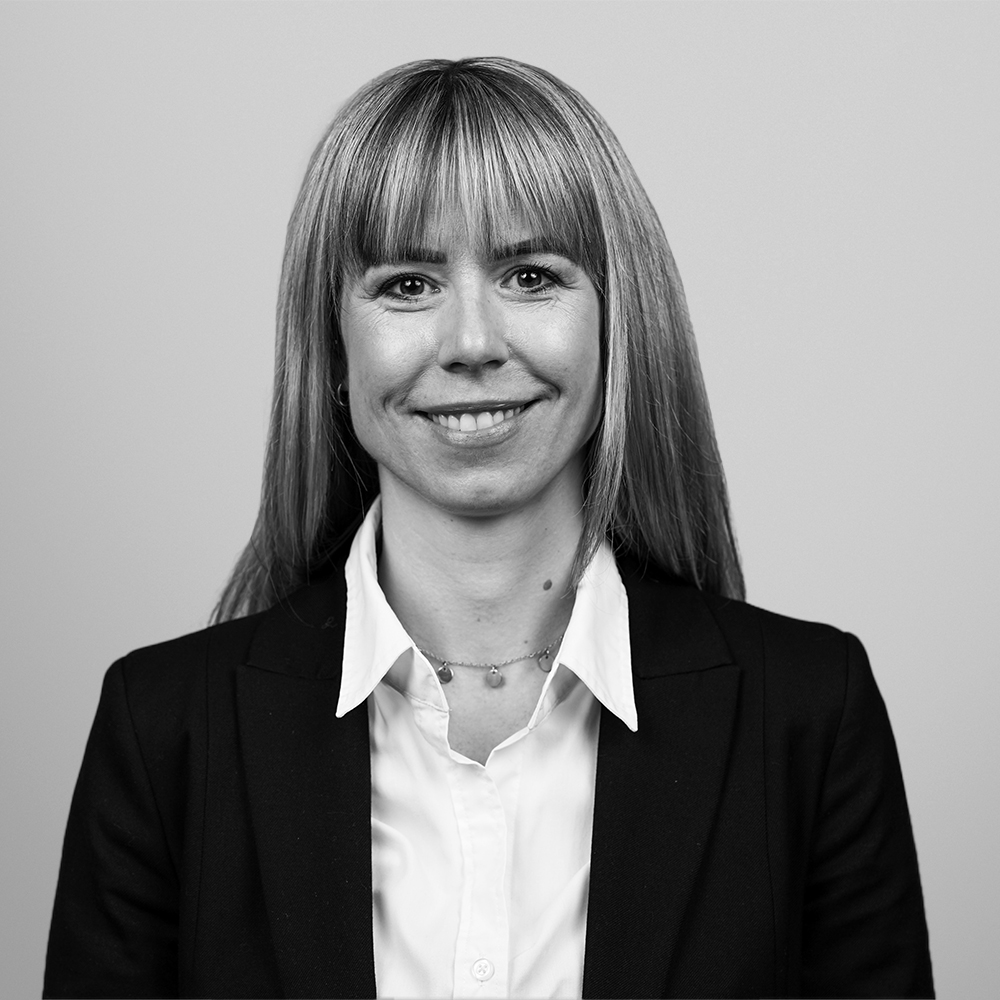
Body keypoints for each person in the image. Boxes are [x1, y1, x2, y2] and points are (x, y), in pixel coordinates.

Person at [43, 57, 933, 999]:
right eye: (407, 285)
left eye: (530, 275)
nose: (472, 342)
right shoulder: (164, 731)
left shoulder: (809, 714)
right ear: (332, 346)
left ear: (617, 324)